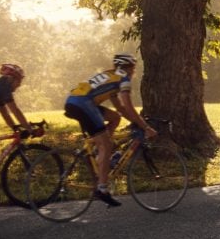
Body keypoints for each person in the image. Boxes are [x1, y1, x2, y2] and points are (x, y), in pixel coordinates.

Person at [64, 53, 157, 207]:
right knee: (106, 145)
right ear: (129, 68)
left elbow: (120, 108)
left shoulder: (111, 75)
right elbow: (128, 105)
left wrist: (135, 122)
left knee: (115, 118)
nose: (134, 72)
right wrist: (145, 127)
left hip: (75, 101)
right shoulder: (124, 78)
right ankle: (102, 189)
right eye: (133, 69)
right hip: (83, 104)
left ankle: (98, 149)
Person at [0, 64, 35, 166]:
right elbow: (15, 111)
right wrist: (30, 129)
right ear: (11, 79)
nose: (19, 85)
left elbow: (5, 114)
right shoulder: (4, 88)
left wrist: (15, 129)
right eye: (18, 81)